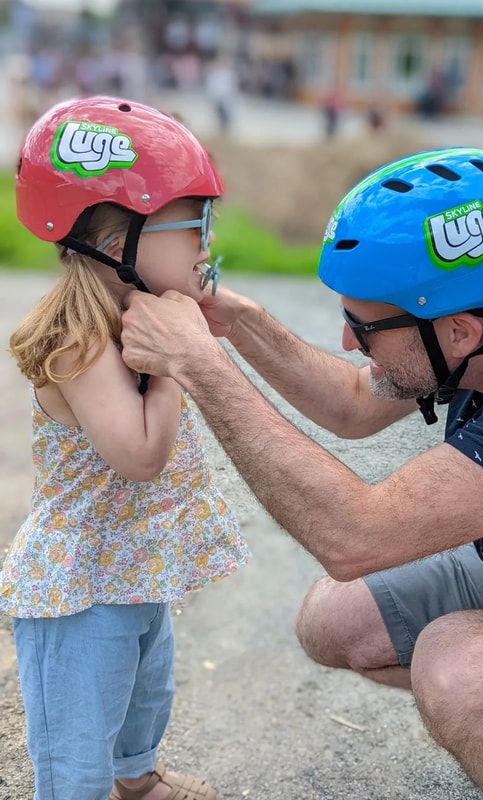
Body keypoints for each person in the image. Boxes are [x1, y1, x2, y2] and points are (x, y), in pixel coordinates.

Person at [120, 147, 483, 800]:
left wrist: (199, 366)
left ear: (459, 332)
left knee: (459, 671)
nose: (347, 342)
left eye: (363, 328)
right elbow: (357, 405)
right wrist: (239, 323)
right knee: (334, 622)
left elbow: (355, 536)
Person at [1, 96, 250, 800]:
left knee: (146, 692)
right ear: (118, 248)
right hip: (80, 589)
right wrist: (177, 360)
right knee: (79, 742)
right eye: (192, 225)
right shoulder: (81, 344)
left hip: (133, 565)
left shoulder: (131, 319)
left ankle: (136, 781)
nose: (206, 244)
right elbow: (140, 456)